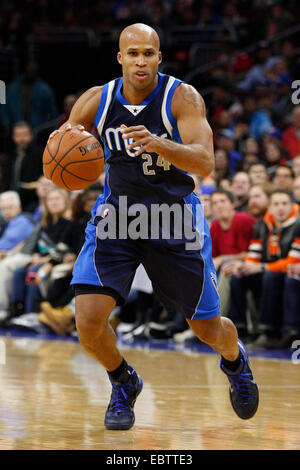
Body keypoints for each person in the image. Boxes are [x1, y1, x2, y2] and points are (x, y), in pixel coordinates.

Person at [47, 23, 259, 430]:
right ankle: (124, 382)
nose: (141, 61)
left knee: (208, 328)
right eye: (133, 53)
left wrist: (159, 142)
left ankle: (235, 361)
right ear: (120, 58)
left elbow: (205, 162)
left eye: (148, 53)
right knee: (88, 323)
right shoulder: (95, 101)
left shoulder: (183, 97)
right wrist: (61, 154)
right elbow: (67, 148)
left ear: (159, 58)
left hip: (174, 217)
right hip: (119, 217)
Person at [229, 190, 300, 347]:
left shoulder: (298, 224)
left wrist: (262, 267)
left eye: (284, 204)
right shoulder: (262, 225)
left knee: (271, 276)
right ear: (270, 207)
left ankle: (269, 332)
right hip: (269, 271)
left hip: (286, 273)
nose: (280, 208)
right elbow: (253, 255)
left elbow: (293, 262)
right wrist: (244, 265)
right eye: (276, 204)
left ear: (291, 206)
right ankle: (239, 328)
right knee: (238, 276)